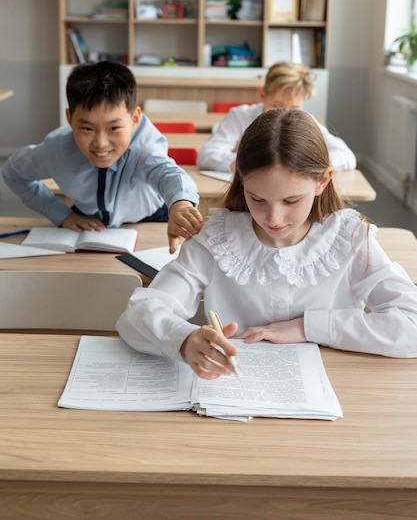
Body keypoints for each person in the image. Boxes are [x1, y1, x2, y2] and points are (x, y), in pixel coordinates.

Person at [117, 107, 417, 380]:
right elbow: (137, 313)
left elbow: (411, 325)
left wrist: (308, 327)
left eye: (291, 201)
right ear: (242, 181)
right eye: (257, 199)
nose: (273, 218)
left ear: (322, 181)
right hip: (236, 390)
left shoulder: (348, 237)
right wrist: (182, 339)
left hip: (336, 388)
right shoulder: (217, 238)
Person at [1, 61, 203, 252]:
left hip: (147, 219)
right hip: (85, 222)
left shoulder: (145, 147)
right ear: (70, 119)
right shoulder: (56, 150)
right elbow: (13, 172)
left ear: (134, 119)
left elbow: (169, 174)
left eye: (114, 127)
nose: (100, 143)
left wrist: (181, 205)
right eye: (87, 128)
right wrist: (61, 214)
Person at [197, 61, 357, 172]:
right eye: (277, 106)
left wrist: (302, 164)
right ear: (262, 94)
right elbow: (207, 155)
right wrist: (261, 162)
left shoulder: (306, 121)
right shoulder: (240, 116)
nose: (284, 114)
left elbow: (347, 157)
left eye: (294, 108)